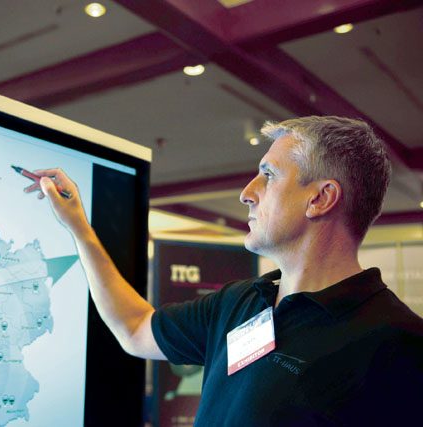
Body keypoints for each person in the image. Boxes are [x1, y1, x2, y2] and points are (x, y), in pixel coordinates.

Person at [26, 116, 423, 426]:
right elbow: (133, 329)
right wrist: (79, 227)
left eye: (268, 175)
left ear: (320, 198)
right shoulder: (241, 302)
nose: (246, 193)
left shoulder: (400, 346)